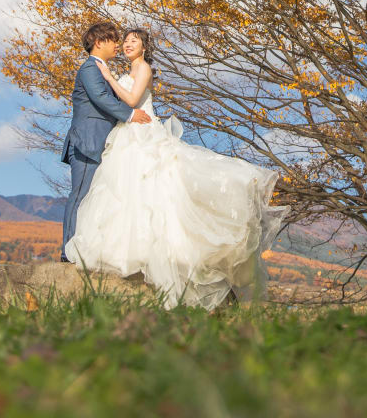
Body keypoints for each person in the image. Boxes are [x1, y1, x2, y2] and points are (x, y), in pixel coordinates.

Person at [64, 27, 288, 309]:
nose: (127, 44)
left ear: (145, 47)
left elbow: (132, 101)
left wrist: (109, 78)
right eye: (125, 41)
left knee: (153, 190)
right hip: (126, 134)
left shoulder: (143, 68)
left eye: (134, 41)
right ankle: (126, 251)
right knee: (125, 193)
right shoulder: (107, 69)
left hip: (141, 132)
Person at [60, 22, 151, 262]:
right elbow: (100, 98)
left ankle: (85, 250)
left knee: (95, 200)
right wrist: (131, 115)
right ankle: (67, 252)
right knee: (80, 196)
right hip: (86, 143)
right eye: (113, 40)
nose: (118, 45)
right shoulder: (90, 68)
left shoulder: (104, 70)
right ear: (99, 43)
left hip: (102, 144)